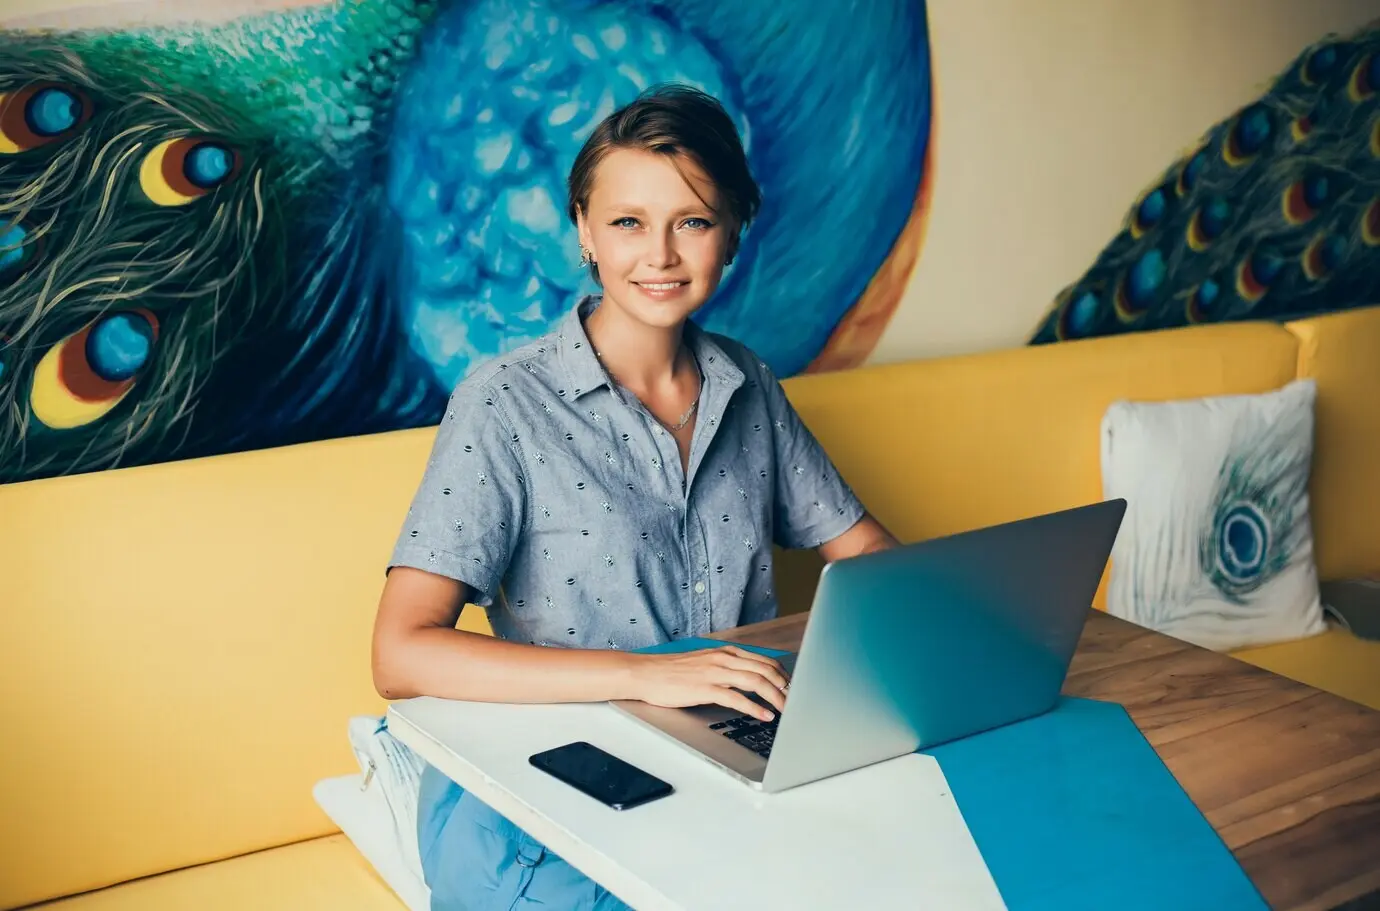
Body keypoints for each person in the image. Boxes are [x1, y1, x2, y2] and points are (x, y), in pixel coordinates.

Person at [371, 83, 899, 911]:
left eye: (691, 220)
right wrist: (649, 675)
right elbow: (400, 655)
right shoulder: (505, 401)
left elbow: (866, 554)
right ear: (583, 229)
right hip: (547, 792)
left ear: (732, 234)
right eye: (627, 222)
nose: (659, 253)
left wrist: (928, 630)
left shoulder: (749, 384)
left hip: (724, 761)